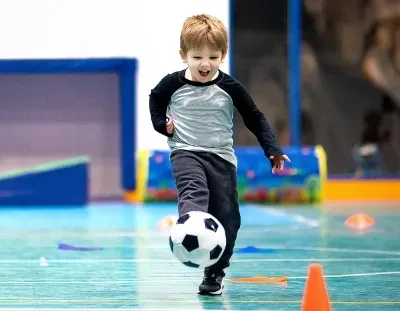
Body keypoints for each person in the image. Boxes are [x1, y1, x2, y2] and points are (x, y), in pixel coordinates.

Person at [149, 14, 290, 295]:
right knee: (194, 192)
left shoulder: (230, 88)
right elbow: (155, 98)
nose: (205, 64)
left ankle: (214, 273)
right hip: (185, 151)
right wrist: (161, 124)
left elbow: (254, 117)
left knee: (228, 217)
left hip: (222, 158)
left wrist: (271, 148)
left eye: (213, 57)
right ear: (183, 55)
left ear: (223, 55)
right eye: (197, 56)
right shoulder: (172, 84)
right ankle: (190, 228)